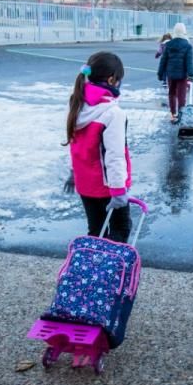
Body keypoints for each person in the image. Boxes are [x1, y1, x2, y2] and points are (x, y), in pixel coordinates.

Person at [64, 51, 132, 243]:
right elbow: (114, 155)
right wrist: (119, 191)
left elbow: (77, 145)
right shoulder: (112, 113)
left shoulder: (77, 103)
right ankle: (111, 271)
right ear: (112, 80)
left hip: (85, 184)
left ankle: (93, 269)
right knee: (120, 230)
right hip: (107, 187)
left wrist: (73, 173)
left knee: (96, 231)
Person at [157, 22, 193, 124]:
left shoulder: (168, 45)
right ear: (184, 31)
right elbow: (189, 62)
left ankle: (173, 114)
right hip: (182, 75)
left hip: (171, 75)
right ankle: (180, 115)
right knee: (181, 96)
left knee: (171, 93)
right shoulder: (188, 46)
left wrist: (160, 73)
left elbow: (163, 61)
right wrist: (191, 74)